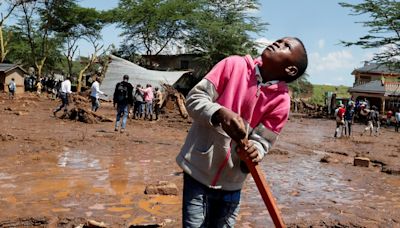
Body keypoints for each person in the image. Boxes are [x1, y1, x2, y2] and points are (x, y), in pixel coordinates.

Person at [176, 37, 308, 227]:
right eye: (279, 40)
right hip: (198, 171)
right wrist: (219, 112)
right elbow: (195, 99)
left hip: (232, 183)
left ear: (291, 69)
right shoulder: (233, 65)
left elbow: (263, 141)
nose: (277, 43)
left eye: (286, 46)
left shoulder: (281, 101)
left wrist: (255, 151)